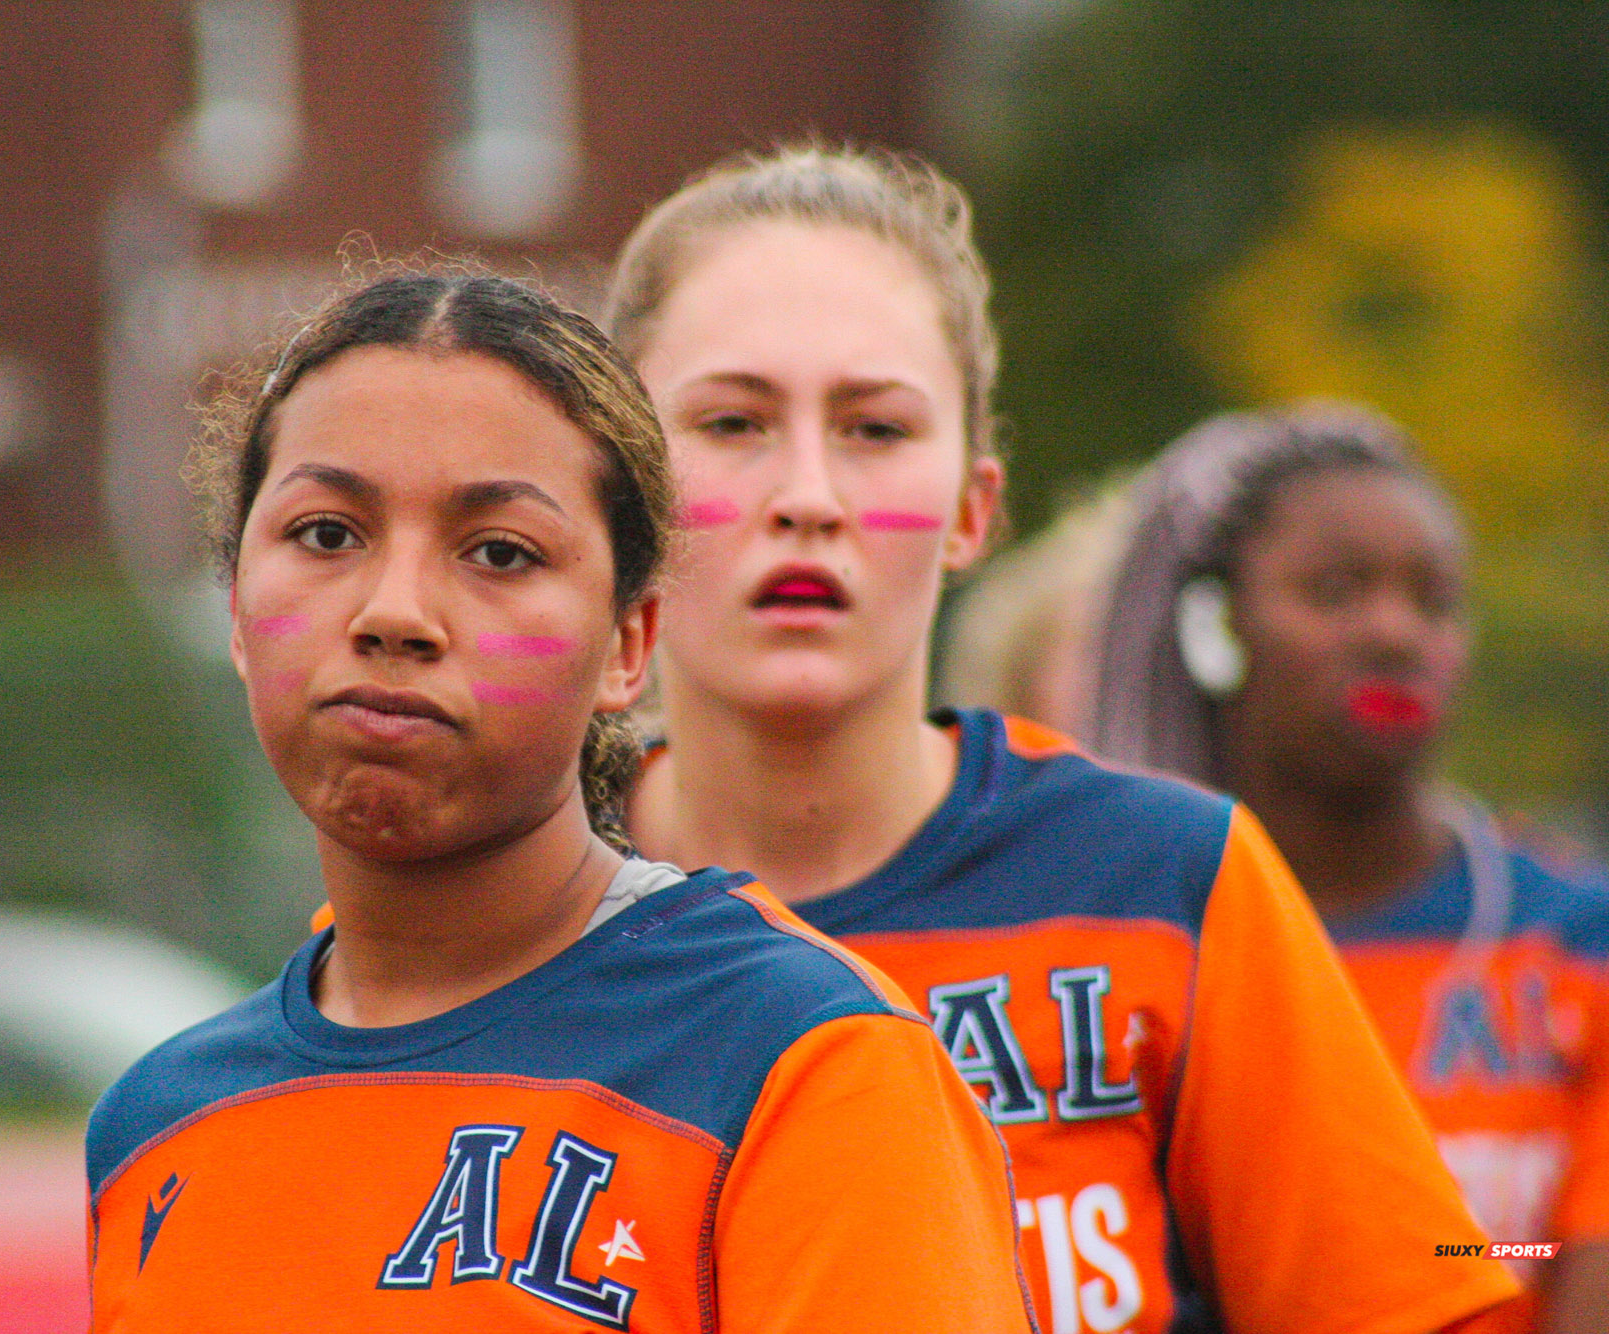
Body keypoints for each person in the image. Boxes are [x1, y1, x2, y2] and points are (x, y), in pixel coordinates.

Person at [606, 144, 1521, 1334]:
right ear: (620, 491)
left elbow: (1416, 1293)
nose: (809, 492)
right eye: (732, 420)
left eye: (874, 427)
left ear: (972, 507)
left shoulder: (1172, 881)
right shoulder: (496, 914)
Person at [83, 269, 1035, 1333]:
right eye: (324, 533)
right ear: (234, 604)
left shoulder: (802, 1061)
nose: (394, 610)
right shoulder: (158, 1125)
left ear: (628, 643)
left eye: (499, 551)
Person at [1081, 403, 1609, 1333]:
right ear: (1213, 628)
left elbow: (1561, 1264)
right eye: (1335, 591)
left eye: (1434, 600)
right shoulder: (1118, 946)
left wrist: (1464, 1255)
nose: (1399, 634)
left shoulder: (1575, 939)